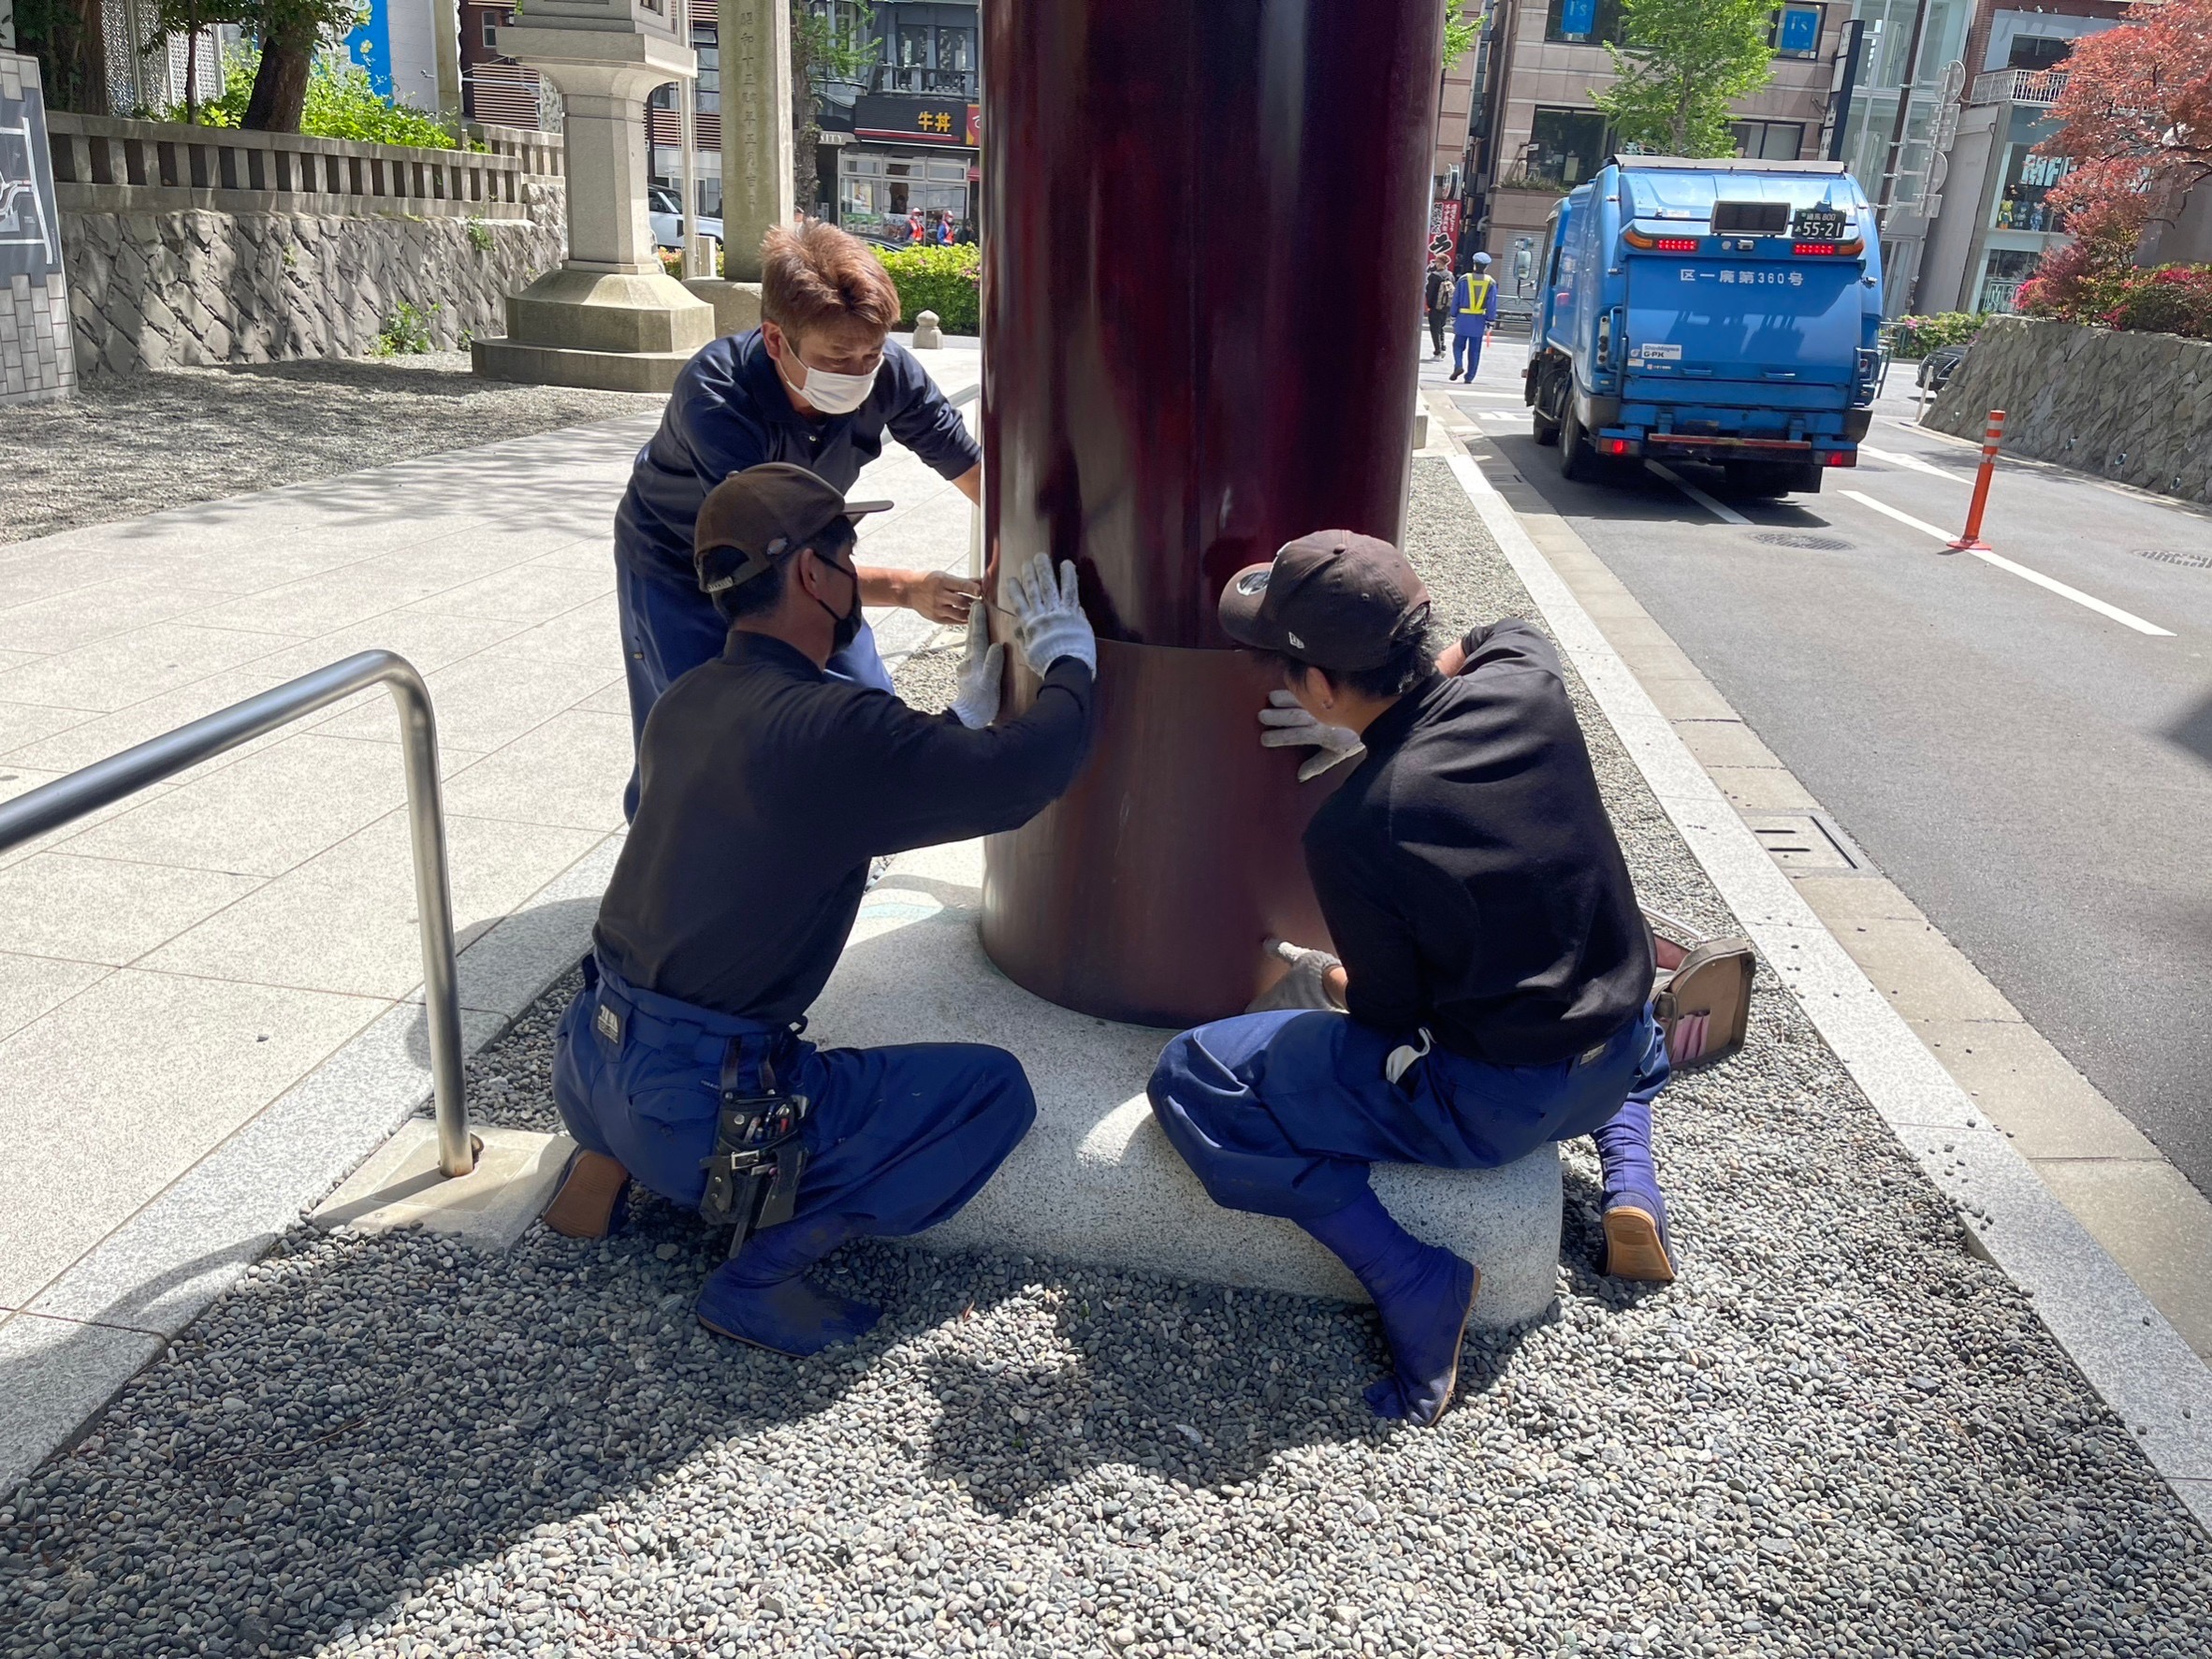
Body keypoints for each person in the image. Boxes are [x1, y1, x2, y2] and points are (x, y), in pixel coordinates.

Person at [546, 463, 1101, 1356]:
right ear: (812, 572)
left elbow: (816, 799)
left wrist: (952, 725)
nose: (851, 570)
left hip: (585, 1058)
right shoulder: (834, 725)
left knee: (665, 1019)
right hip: (699, 1107)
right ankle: (760, 1272)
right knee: (991, 1093)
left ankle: (603, 1163)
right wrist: (1071, 662)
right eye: (846, 553)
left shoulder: (685, 699)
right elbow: (1023, 777)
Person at [1146, 531, 1673, 1427]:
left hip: (1497, 1107)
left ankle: (1413, 1276)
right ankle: (1631, 1171)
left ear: (1318, 687)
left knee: (1193, 1077)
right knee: (1581, 961)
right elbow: (1503, 629)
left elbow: (1388, 1016)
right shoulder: (1527, 684)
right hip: (1622, 1048)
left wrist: (1323, 975)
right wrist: (1374, 723)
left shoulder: (1359, 826)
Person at [612, 221, 983, 817]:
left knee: (865, 702)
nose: (859, 372)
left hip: (805, 553)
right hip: (679, 562)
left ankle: (829, 836)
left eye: (871, 353)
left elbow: (975, 474)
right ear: (775, 339)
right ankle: (665, 849)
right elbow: (771, 560)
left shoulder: (888, 372)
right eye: (837, 358)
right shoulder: (718, 396)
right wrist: (906, 589)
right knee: (697, 737)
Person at [1451, 251, 1498, 384]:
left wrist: (1453, 315)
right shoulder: (1490, 282)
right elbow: (1492, 303)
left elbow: (1456, 299)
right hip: (1479, 320)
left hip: (1463, 318)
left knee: (1458, 345)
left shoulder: (1464, 279)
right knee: (1475, 350)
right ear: (1486, 267)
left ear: (1474, 264)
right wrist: (1490, 321)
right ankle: (1469, 377)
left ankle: (1458, 365)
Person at [1423, 256, 1453, 361]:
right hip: (1446, 306)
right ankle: (1442, 348)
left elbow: (1430, 292)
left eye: (1436, 261)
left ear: (1439, 263)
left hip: (1435, 307)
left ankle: (1438, 351)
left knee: (1434, 329)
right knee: (1441, 327)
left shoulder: (1434, 276)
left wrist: (1429, 305)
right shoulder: (1450, 275)